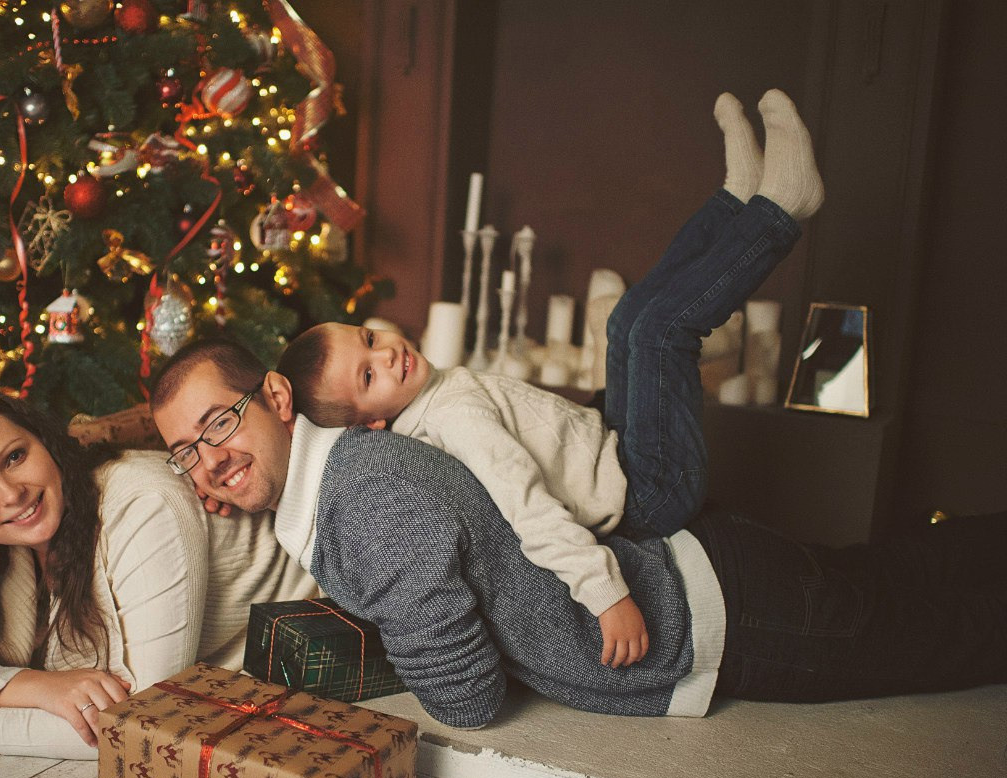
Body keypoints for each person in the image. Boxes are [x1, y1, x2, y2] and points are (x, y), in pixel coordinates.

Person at [148, 114, 1005, 730]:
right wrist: (214, 477)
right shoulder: (352, 477)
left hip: (696, 600)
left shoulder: (366, 493)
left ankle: (768, 205)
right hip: (688, 556)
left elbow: (468, 699)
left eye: (219, 423)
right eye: (186, 452)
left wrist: (601, 595)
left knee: (942, 634)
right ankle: (739, 203)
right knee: (897, 575)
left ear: (278, 398)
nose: (209, 458)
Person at [273, 89, 824, 670]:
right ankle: (779, 213)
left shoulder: (430, 396)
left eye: (369, 338)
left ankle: (734, 205)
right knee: (658, 332)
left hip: (611, 446)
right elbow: (525, 504)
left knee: (626, 321)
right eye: (368, 376)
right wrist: (605, 592)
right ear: (372, 424)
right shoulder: (452, 418)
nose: (387, 354)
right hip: (649, 488)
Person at [0, 386, 317, 760]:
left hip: (310, 653)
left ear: (44, 442)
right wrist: (31, 684)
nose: (11, 494)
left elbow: (147, 722)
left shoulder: (143, 501)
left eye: (14, 457)